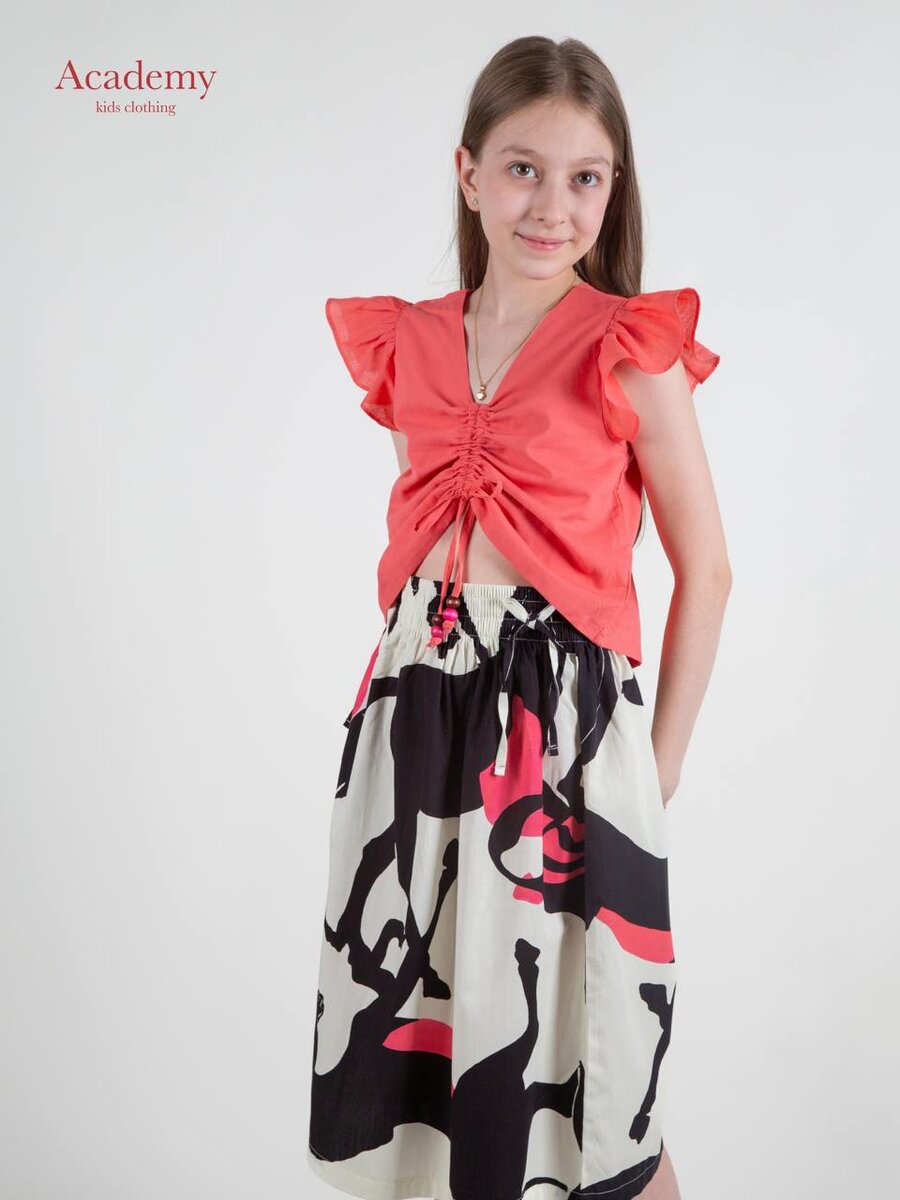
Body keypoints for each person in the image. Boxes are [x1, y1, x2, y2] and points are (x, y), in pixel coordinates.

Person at [307, 34, 731, 1200]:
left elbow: (708, 571)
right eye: (522, 169)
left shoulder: (631, 349)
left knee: (596, 1083)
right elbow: (428, 563)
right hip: (418, 731)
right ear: (468, 173)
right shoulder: (410, 344)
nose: (552, 204)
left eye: (585, 177)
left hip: (570, 747)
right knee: (433, 1068)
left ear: (614, 188)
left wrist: (653, 773)